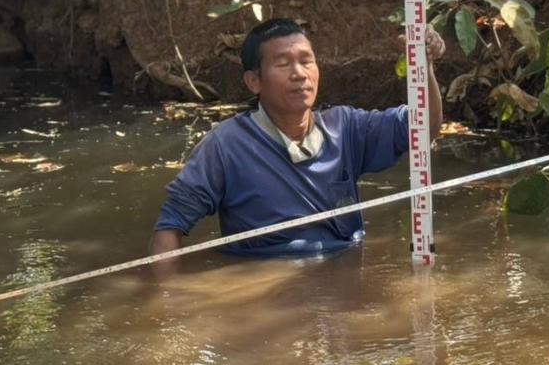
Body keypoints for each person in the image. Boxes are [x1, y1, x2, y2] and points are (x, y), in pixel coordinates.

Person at [150, 18, 444, 262]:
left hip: (342, 278)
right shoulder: (225, 146)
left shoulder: (346, 127)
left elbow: (423, 129)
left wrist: (425, 66)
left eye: (306, 61)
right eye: (283, 64)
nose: (299, 74)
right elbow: (170, 226)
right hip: (264, 289)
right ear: (254, 81)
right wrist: (170, 308)